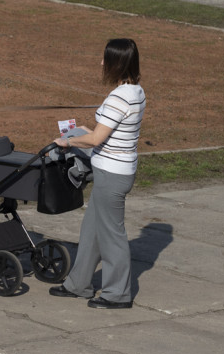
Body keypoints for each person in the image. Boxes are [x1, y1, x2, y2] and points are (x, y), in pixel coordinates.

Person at [50, 38, 145, 309]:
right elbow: (104, 134)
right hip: (116, 170)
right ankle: (79, 284)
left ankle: (118, 294)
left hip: (112, 175)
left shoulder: (119, 97)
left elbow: (96, 140)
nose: (101, 63)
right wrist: (83, 131)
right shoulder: (136, 91)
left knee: (111, 236)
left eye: (106, 59)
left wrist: (68, 141)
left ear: (117, 63)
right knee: (91, 229)